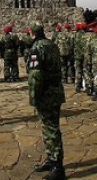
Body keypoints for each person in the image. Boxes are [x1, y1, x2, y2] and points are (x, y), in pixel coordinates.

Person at [28, 22, 66, 180]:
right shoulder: (52, 45)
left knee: (51, 129)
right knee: (49, 127)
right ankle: (51, 159)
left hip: (46, 93)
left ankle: (57, 167)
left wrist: (33, 96)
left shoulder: (36, 48)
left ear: (32, 33)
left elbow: (36, 76)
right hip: (56, 90)